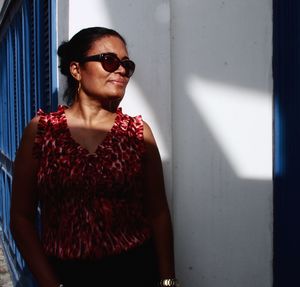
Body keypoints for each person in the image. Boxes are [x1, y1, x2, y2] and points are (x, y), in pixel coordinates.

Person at [10, 27, 179, 287]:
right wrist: (49, 282)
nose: (121, 70)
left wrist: (168, 280)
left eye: (127, 64)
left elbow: (158, 212)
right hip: (65, 275)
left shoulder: (136, 132)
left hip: (135, 272)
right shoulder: (43, 131)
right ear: (76, 69)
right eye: (109, 61)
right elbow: (21, 218)